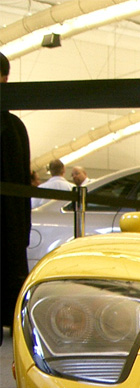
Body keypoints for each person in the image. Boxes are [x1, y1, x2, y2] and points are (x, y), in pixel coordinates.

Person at [0, 51, 32, 349]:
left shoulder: (14, 127)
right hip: (9, 230)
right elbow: (23, 182)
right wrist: (22, 233)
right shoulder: (14, 127)